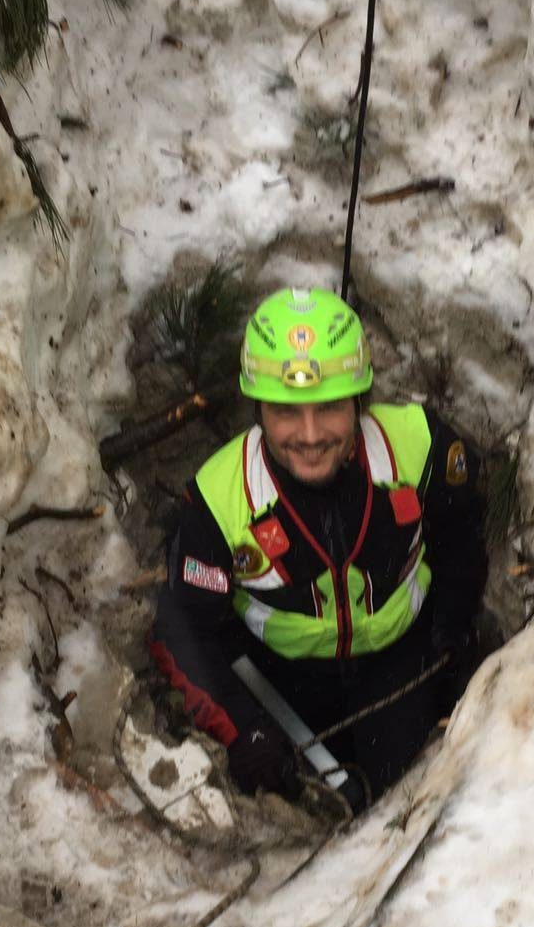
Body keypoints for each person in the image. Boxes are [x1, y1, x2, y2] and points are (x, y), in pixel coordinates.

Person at [150, 286, 488, 806]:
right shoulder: (220, 500)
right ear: (258, 410)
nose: (309, 436)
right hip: (283, 683)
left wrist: (453, 629)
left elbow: (461, 536)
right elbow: (182, 624)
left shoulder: (420, 449)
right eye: (286, 411)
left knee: (401, 801)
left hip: (400, 665)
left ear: (359, 400)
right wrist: (244, 728)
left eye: (328, 406)